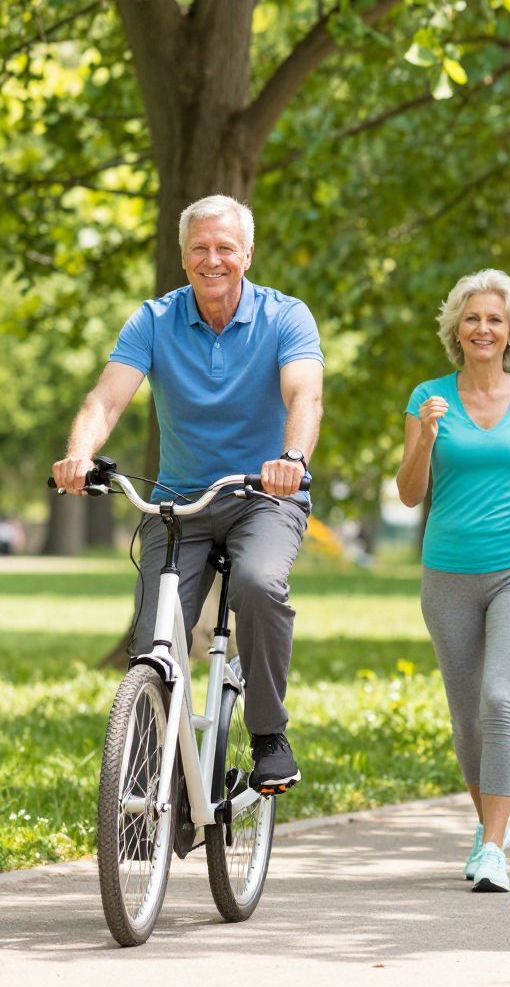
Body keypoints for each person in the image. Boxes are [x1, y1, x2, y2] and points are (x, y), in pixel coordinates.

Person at [52, 194, 322, 794]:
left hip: (263, 496)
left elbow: (304, 395)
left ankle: (269, 734)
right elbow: (107, 399)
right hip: (179, 504)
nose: (212, 259)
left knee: (258, 584)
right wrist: (80, 454)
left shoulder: (286, 317)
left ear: (247, 254)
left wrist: (292, 460)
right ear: (182, 257)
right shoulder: (154, 320)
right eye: (200, 247)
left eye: (225, 247)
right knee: (153, 636)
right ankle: (155, 778)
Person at [394, 269, 510, 894]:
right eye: (472, 318)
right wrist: (426, 438)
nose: (484, 328)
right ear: (457, 330)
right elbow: (408, 493)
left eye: (495, 319)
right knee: (467, 717)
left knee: (500, 698)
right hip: (448, 572)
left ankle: (493, 846)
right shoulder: (427, 398)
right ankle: (488, 823)